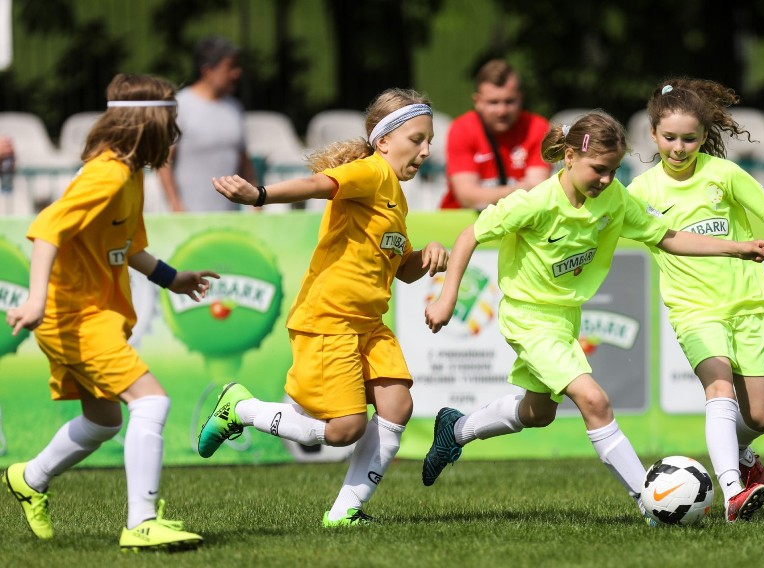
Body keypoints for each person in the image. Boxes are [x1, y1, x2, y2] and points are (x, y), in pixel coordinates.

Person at [421, 110, 764, 526]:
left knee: (538, 412)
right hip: (528, 317)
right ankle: (652, 501)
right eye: (599, 170)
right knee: (594, 400)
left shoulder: (616, 199)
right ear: (569, 157)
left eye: (614, 170)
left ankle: (457, 429)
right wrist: (447, 299)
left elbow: (669, 236)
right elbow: (470, 235)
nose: (606, 180)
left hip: (565, 318)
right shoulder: (534, 202)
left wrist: (737, 247)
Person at [199, 88, 449, 527]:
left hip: (368, 325)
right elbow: (320, 184)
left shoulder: (396, 196)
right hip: (329, 320)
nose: (426, 150)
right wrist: (257, 195)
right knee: (344, 431)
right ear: (384, 140)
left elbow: (402, 269)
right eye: (417, 139)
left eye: (428, 141)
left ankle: (345, 513)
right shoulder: (370, 172)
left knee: (397, 406)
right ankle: (242, 409)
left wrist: (425, 255)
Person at [2, 73, 218, 550]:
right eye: (172, 120)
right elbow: (46, 231)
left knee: (104, 421)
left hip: (91, 315)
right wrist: (36, 300)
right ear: (150, 123)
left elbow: (129, 246)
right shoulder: (108, 173)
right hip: (71, 317)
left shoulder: (130, 173)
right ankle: (140, 521)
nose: (176, 131)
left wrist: (171, 277)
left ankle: (29, 477)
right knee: (152, 401)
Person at [626, 77, 764, 523]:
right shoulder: (641, 192)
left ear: (705, 137)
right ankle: (730, 493)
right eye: (669, 138)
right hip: (693, 311)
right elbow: (601, 224)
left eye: (689, 138)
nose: (679, 147)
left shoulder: (723, 174)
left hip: (745, 305)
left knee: (760, 416)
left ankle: (738, 452)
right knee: (718, 387)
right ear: (653, 135)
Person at [158, 36, 256, 212]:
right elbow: (164, 161)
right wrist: (175, 205)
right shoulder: (181, 105)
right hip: (189, 217)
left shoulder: (235, 107)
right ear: (208, 71)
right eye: (230, 67)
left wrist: (256, 203)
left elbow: (244, 161)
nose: (237, 73)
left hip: (230, 217)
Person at [439, 59, 552, 210]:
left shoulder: (538, 127)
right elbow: (467, 198)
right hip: (462, 220)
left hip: (519, 221)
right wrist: (518, 190)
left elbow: (537, 193)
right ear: (477, 101)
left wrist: (487, 194)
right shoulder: (462, 128)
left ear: (521, 98)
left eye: (509, 101)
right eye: (493, 102)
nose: (502, 111)